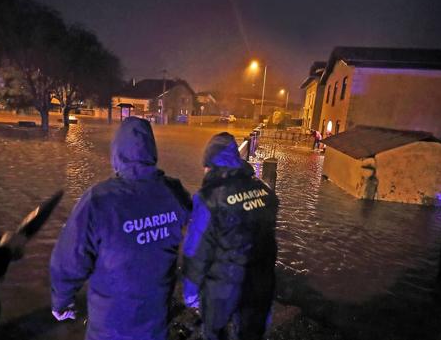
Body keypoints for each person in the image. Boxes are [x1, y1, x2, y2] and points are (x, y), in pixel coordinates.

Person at [50, 117, 191, 340]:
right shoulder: (173, 192)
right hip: (154, 321)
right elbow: (196, 230)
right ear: (151, 150)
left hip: (109, 326)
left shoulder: (99, 200)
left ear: (117, 153)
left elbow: (69, 258)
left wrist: (62, 300)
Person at [183, 132, 278, 340]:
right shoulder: (265, 192)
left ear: (210, 164)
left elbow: (197, 249)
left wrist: (190, 291)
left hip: (222, 290)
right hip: (259, 286)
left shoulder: (209, 198)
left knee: (214, 333)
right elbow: (269, 246)